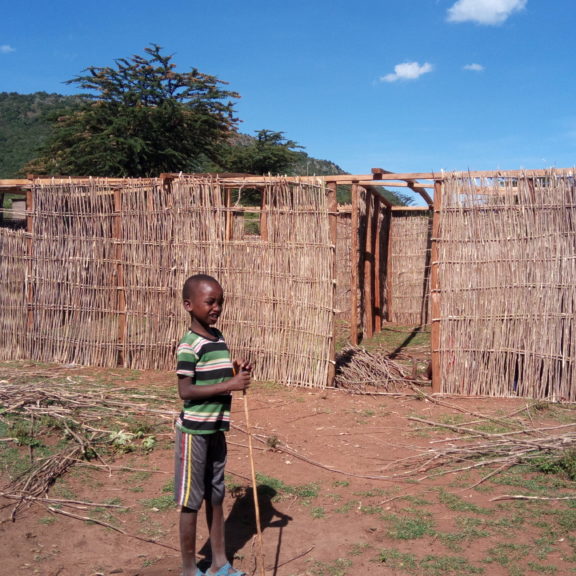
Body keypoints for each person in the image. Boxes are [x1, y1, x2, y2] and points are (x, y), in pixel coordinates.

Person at [175, 274, 252, 576]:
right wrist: (230, 385)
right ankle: (189, 569)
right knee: (191, 501)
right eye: (210, 302)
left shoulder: (218, 338)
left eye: (220, 301)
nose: (216, 307)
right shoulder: (189, 345)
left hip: (216, 430)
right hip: (194, 433)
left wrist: (238, 373)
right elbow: (186, 391)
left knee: (216, 496)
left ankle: (219, 563)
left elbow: (221, 380)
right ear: (189, 305)